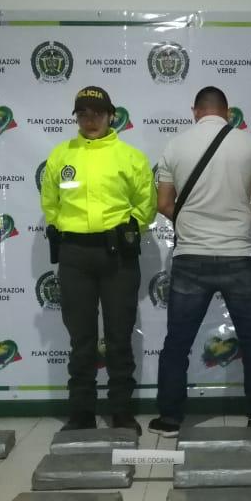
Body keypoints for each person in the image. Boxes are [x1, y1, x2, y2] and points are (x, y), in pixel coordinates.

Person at [148, 86, 251, 437]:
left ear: (195, 111)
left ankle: (169, 420)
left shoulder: (175, 146)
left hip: (190, 257)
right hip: (239, 255)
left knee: (177, 342)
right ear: (227, 111)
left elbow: (163, 204)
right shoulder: (250, 144)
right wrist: (237, 225)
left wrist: (192, 225)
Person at [41, 85, 156, 434]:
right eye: (83, 114)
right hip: (74, 256)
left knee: (119, 337)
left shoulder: (130, 157)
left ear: (111, 116)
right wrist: (66, 227)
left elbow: (146, 205)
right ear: (76, 118)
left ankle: (121, 412)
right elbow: (50, 204)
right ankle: (81, 414)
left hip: (117, 255)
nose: (90, 120)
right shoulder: (61, 156)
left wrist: (126, 229)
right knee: (81, 340)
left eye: (97, 114)